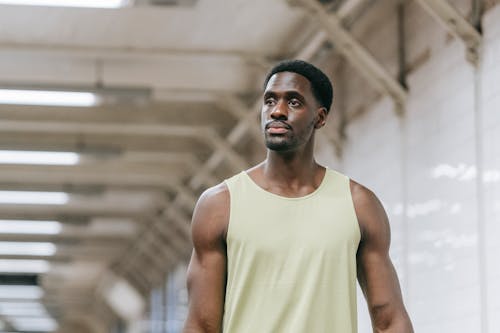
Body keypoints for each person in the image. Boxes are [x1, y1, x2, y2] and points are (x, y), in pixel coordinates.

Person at [183, 60, 413, 333]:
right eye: (270, 101)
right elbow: (201, 325)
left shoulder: (358, 204)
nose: (277, 111)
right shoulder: (220, 204)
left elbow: (390, 319)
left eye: (293, 102)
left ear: (320, 117)